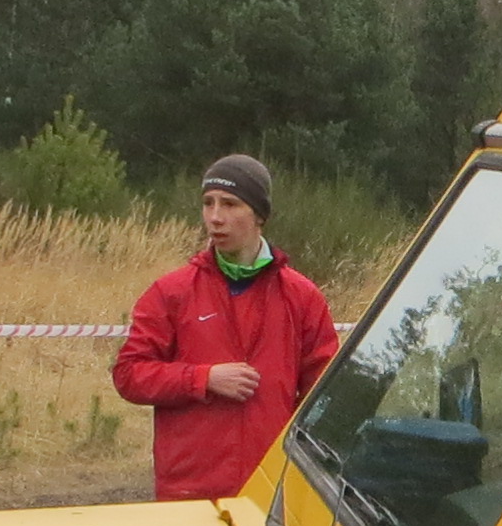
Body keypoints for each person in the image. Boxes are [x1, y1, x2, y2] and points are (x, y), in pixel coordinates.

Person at [111, 152, 338, 502]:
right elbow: (129, 375)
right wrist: (203, 378)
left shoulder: (302, 297)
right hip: (189, 493)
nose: (215, 217)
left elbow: (326, 397)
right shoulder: (171, 292)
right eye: (208, 203)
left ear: (259, 215)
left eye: (230, 204)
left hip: (270, 493)